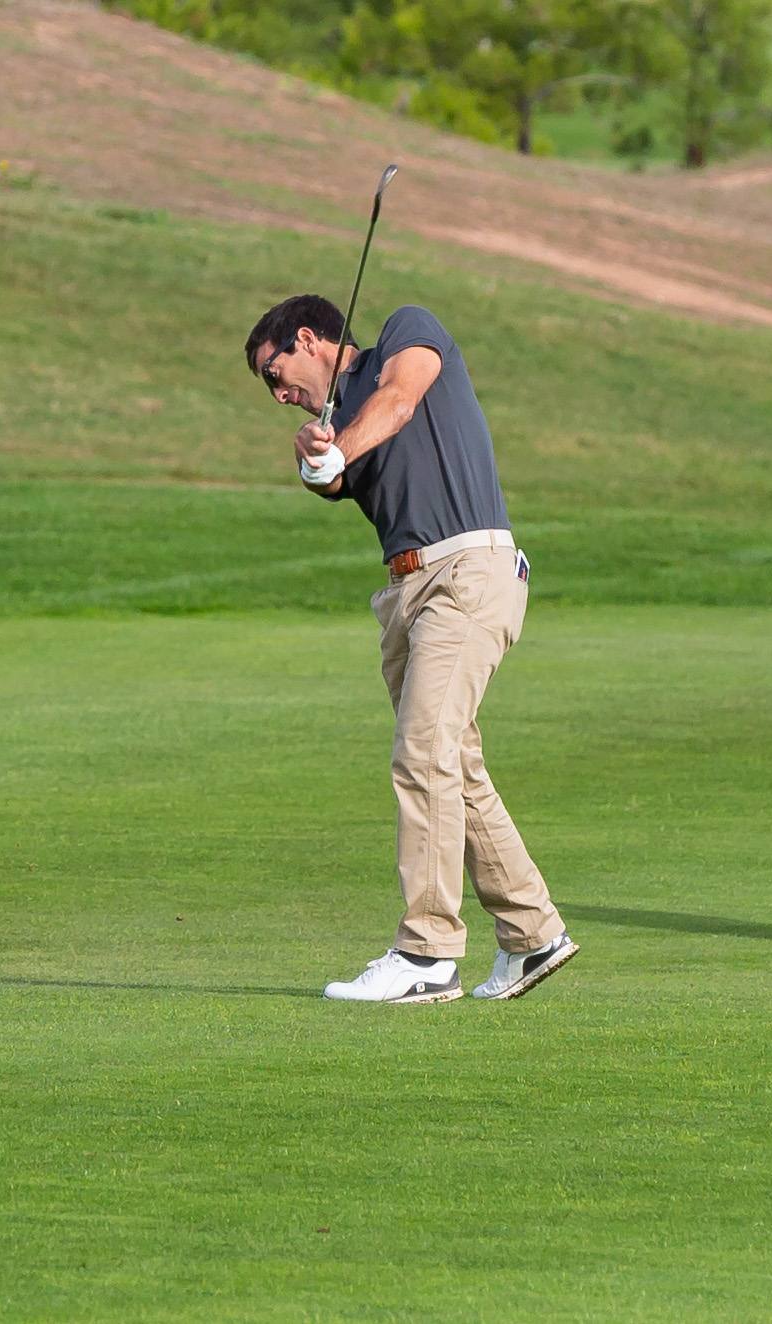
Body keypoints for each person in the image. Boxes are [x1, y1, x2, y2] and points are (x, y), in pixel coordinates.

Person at [245, 294, 578, 1003]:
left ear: (308, 338)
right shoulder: (334, 424)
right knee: (453, 761)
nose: (277, 394)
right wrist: (316, 457)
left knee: (422, 753)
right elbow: (334, 478)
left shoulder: (408, 329)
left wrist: (336, 444)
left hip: (468, 570)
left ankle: (427, 954)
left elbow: (397, 400)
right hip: (405, 595)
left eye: (275, 371)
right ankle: (532, 934)